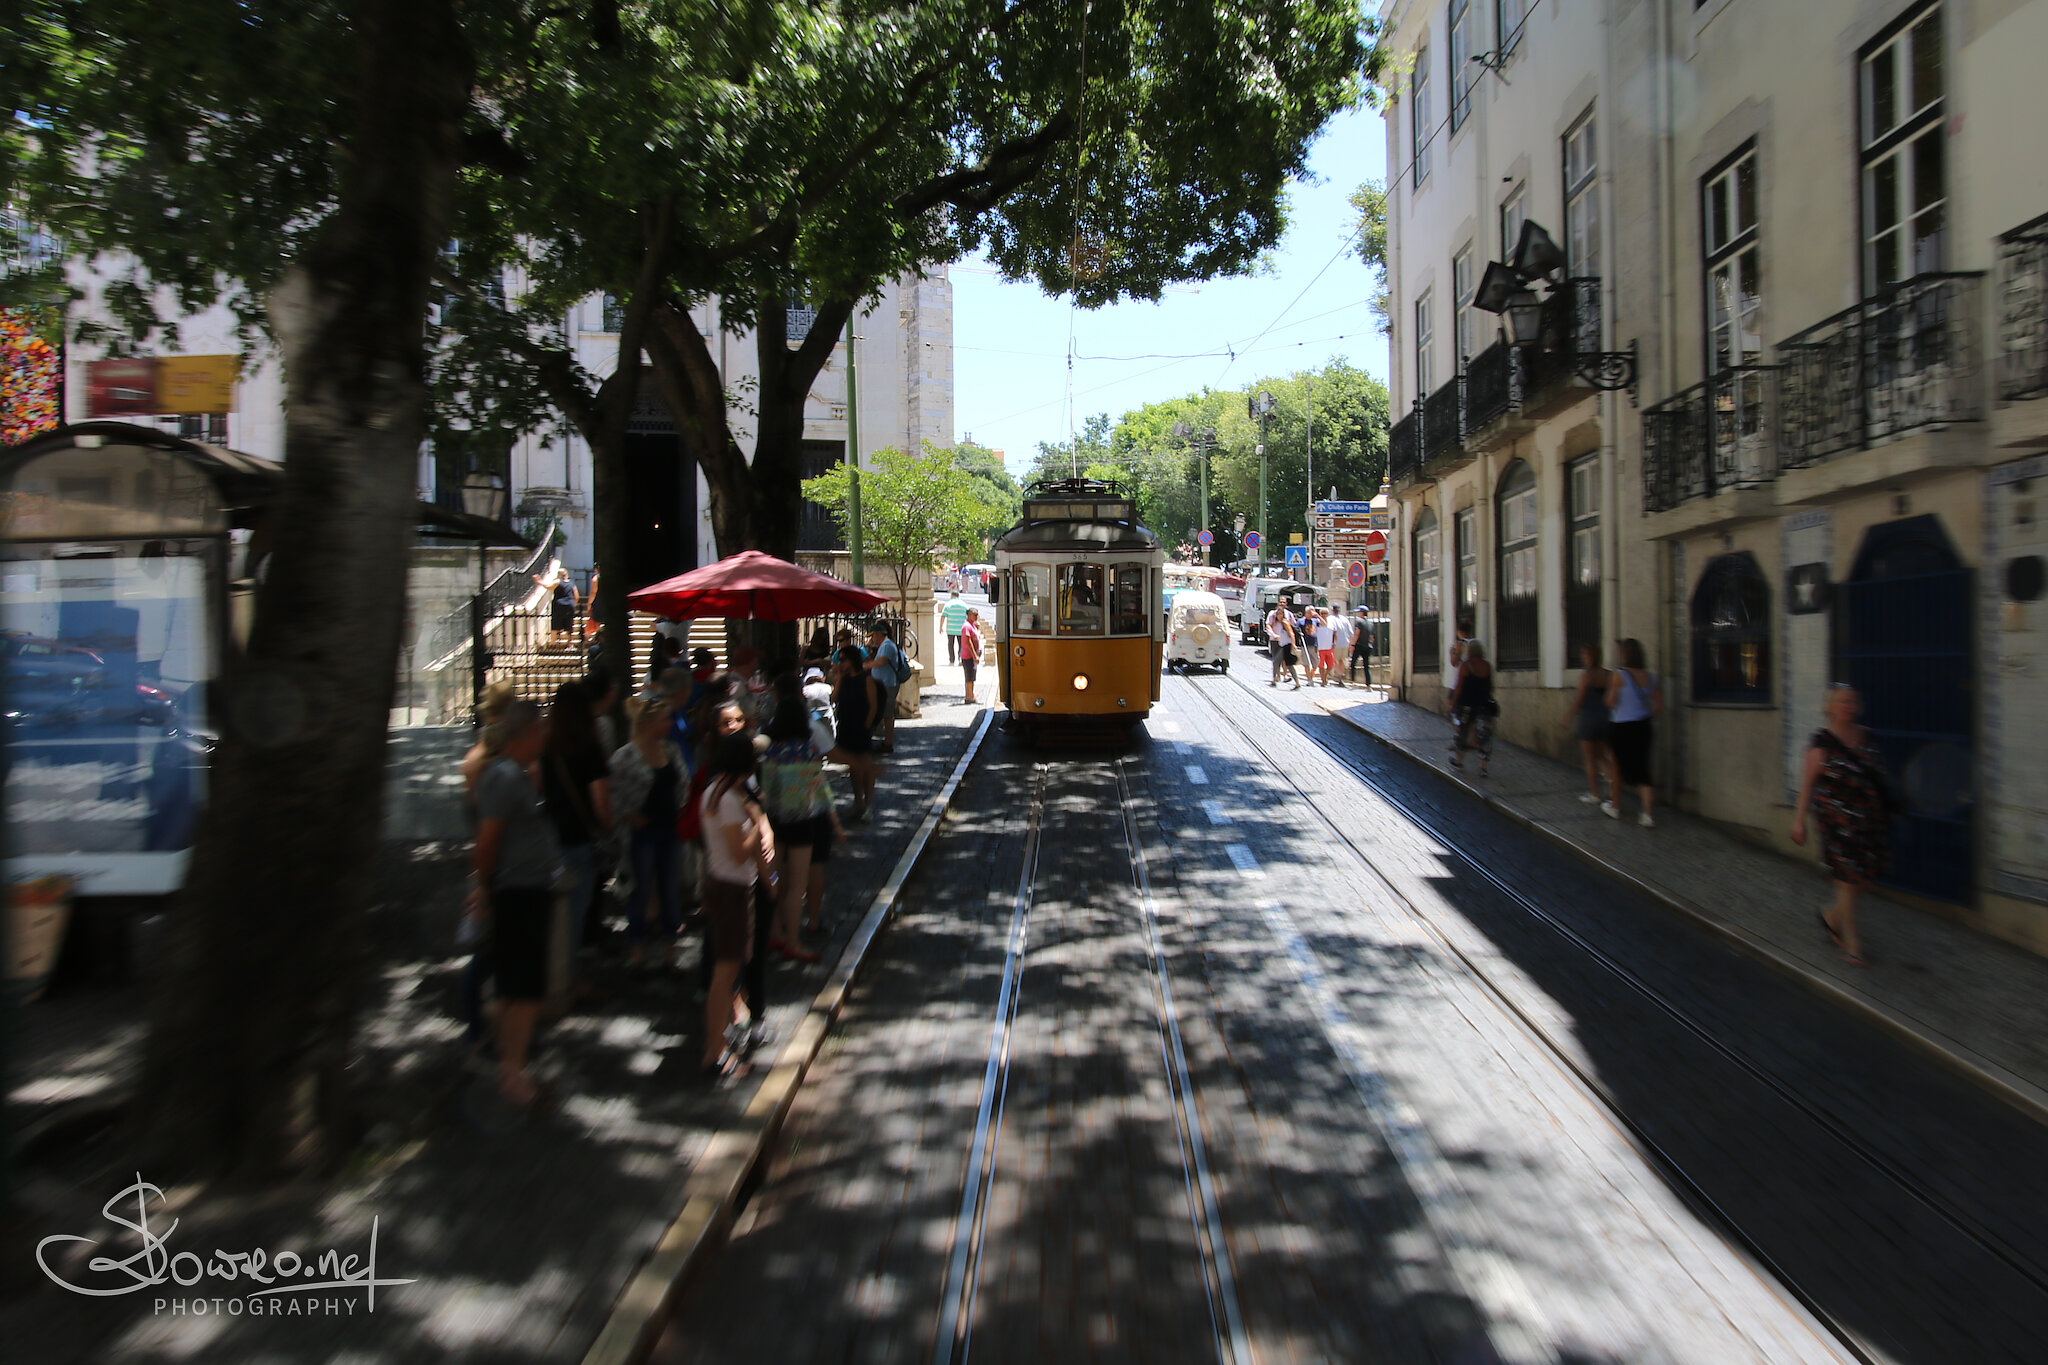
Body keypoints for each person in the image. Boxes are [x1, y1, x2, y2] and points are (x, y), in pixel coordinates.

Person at [471, 700, 559, 1107]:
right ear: (527, 733)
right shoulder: (504, 776)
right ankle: (513, 1073)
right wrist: (483, 888)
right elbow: (488, 840)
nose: (544, 738)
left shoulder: (517, 774)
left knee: (518, 988)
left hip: (528, 889)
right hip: (517, 893)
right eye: (540, 731)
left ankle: (511, 1068)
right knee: (523, 990)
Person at [1792, 684, 1892, 967]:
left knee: (1864, 880)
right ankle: (1853, 946)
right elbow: (1807, 785)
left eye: (1851, 701)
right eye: (1841, 701)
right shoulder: (1821, 742)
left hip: (1869, 820)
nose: (1847, 706)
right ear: (1830, 707)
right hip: (1836, 822)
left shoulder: (1867, 736)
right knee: (1847, 881)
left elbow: (1877, 775)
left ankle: (1832, 917)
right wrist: (1798, 820)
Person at [697, 730, 773, 1075]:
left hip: (727, 886)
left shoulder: (716, 792)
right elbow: (739, 852)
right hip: (730, 890)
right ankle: (714, 1051)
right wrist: (757, 825)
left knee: (727, 970)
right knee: (724, 974)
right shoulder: (728, 800)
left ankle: (720, 1042)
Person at [761, 672, 842, 961]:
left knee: (776, 878)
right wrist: (836, 825)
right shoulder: (807, 751)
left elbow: (765, 790)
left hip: (775, 821)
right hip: (802, 821)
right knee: (797, 884)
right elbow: (820, 790)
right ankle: (793, 941)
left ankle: (775, 931)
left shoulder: (771, 751)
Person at [542, 679, 613, 999]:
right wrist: (608, 827)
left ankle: (551, 973)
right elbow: (600, 800)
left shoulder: (546, 747)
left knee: (552, 912)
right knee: (574, 912)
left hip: (549, 837)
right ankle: (567, 978)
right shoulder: (590, 749)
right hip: (579, 839)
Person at [610, 694, 685, 969]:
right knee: (639, 891)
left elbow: (683, 783)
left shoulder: (671, 750)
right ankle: (638, 951)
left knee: (670, 890)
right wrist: (627, 815)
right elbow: (612, 793)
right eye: (665, 719)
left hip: (669, 830)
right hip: (641, 834)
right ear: (650, 722)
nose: (670, 723)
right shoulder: (625, 756)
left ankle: (669, 953)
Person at [1603, 637, 1662, 826]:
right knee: (1643, 769)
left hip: (1621, 727)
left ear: (1625, 655)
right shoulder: (1650, 677)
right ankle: (1647, 814)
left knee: (1617, 767)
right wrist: (1646, 715)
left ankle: (1615, 806)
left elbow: (1611, 702)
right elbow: (1659, 705)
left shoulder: (1619, 675)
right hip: (1643, 726)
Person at [1559, 643, 1617, 806]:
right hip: (1606, 718)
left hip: (1589, 720)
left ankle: (1595, 794)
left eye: (1585, 655)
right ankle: (1613, 783)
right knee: (1601, 756)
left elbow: (1579, 700)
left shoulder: (1586, 676)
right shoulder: (1609, 675)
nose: (1582, 657)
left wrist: (1567, 717)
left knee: (1590, 759)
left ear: (1590, 657)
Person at [831, 644, 882, 820]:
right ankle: (858, 802)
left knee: (866, 765)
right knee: (853, 767)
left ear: (852, 660)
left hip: (861, 727)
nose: (840, 663)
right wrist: (839, 678)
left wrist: (867, 726)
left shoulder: (866, 680)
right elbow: (833, 698)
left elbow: (873, 706)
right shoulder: (844, 679)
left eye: (843, 660)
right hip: (846, 726)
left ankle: (868, 805)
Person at [1448, 639, 1496, 775]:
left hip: (1466, 705)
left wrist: (1452, 703)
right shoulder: (1487, 666)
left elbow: (1459, 687)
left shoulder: (1466, 665)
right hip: (1483, 705)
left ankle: (1459, 761)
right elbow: (1491, 687)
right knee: (1484, 735)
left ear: (1469, 651)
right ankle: (1483, 767)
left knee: (1462, 733)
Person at [862, 622, 909, 752]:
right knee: (882, 712)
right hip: (884, 684)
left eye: (873, 636)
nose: (872, 639)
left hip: (888, 684)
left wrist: (866, 666)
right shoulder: (884, 645)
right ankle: (882, 740)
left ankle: (888, 743)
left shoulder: (887, 645)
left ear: (878, 634)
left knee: (888, 714)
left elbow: (882, 661)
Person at [1266, 600, 1300, 688]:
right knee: (1287, 664)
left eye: (1281, 614)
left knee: (1278, 662)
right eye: (1278, 614)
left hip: (1285, 645)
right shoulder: (1276, 621)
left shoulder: (1285, 622)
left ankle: (1275, 680)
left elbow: (1291, 633)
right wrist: (1274, 635)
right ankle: (1296, 682)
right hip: (1281, 644)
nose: (1279, 615)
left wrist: (1293, 644)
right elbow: (1268, 625)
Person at [959, 607, 984, 706]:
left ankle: (971, 694)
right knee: (969, 676)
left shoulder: (972, 625)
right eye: (975, 614)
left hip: (973, 655)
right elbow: (968, 641)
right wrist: (974, 655)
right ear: (969, 615)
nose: (977, 616)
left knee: (972, 676)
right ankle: (968, 696)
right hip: (968, 656)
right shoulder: (966, 626)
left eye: (977, 614)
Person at [1326, 607, 1355, 690]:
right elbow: (1351, 633)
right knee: (1341, 660)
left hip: (1335, 643)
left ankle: (1334, 676)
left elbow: (1330, 630)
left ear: (1333, 610)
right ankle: (1340, 677)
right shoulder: (1345, 619)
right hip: (1345, 643)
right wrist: (1351, 644)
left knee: (1334, 660)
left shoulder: (1330, 618)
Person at [1311, 608, 1337, 687]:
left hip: (1329, 647)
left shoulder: (1332, 622)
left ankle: (1324, 676)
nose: (1323, 615)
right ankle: (1323, 680)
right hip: (1320, 647)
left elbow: (1335, 633)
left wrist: (1334, 642)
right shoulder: (1317, 622)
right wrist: (1318, 617)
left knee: (1331, 665)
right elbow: (1323, 624)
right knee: (1321, 666)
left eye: (1325, 613)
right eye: (1322, 613)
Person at [942, 590, 969, 664]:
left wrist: (941, 627)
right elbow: (968, 616)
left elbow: (943, 616)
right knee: (961, 645)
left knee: (950, 644)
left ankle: (951, 660)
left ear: (952, 596)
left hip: (950, 628)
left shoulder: (948, 604)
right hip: (961, 629)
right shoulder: (964, 605)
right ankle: (960, 658)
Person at [1349, 605, 1372, 685]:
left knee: (1353, 663)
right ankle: (1368, 684)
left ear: (1362, 613)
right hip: (1367, 646)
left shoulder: (1358, 621)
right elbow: (1371, 636)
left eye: (1358, 612)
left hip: (1359, 645)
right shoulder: (1370, 623)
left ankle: (1352, 681)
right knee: (1366, 666)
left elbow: (1357, 634)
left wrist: (1352, 645)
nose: (1357, 613)